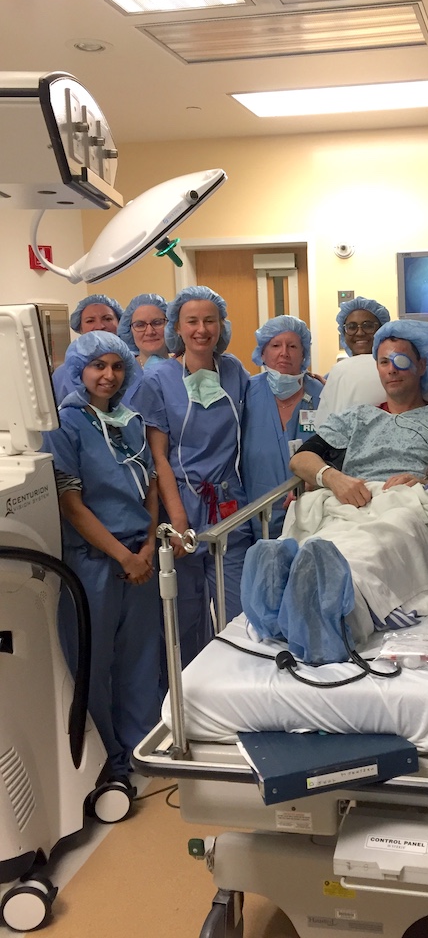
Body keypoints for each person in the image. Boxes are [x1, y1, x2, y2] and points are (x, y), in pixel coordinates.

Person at [241, 320, 428, 662]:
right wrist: (335, 479)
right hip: (355, 500)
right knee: (333, 536)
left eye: (403, 361)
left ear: (422, 366)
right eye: (384, 362)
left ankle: (338, 613)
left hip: (414, 502)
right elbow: (302, 459)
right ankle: (285, 602)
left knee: (386, 535)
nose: (392, 370)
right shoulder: (358, 418)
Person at [42, 331, 160, 783]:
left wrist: (147, 546)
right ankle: (107, 761)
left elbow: (148, 486)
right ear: (78, 371)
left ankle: (142, 749)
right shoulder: (64, 424)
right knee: (93, 664)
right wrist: (121, 555)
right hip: (93, 562)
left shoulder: (130, 421)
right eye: (98, 367)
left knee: (141, 660)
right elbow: (71, 504)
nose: (108, 375)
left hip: (139, 554)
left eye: (116, 366)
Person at [128, 285, 253, 670]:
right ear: (177, 328)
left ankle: (239, 685)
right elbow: (159, 458)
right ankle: (193, 694)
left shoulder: (234, 371)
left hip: (230, 504)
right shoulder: (158, 379)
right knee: (186, 616)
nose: (202, 329)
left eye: (210, 321)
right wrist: (179, 518)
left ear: (221, 326)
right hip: (180, 501)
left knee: (238, 611)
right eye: (192, 321)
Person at [241, 315, 323, 540]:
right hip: (259, 517)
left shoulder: (322, 395)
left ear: (304, 353)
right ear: (262, 353)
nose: (284, 352)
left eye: (293, 346)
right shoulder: (246, 394)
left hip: (314, 515)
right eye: (275, 345)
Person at [315, 296, 392, 422]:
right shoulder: (335, 376)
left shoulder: (396, 371)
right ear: (343, 333)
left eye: (368, 326)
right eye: (352, 327)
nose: (360, 333)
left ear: (382, 330)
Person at [52, 294, 123, 404]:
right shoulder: (63, 374)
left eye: (107, 319)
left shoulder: (134, 366)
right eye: (90, 321)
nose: (99, 326)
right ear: (80, 328)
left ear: (120, 323)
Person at [118, 292, 170, 368]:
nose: (149, 332)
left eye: (157, 323)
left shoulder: (184, 368)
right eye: (140, 325)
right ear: (129, 330)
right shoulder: (123, 373)